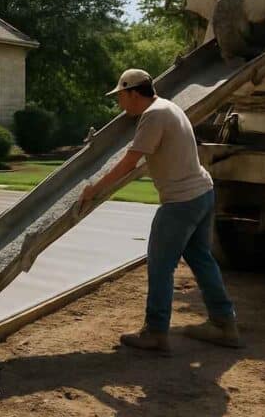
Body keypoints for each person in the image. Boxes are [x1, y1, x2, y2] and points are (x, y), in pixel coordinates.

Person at [80, 69, 242, 355]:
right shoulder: (170, 107)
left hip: (181, 201)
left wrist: (95, 188)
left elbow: (131, 161)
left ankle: (155, 332)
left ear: (133, 92)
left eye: (120, 95)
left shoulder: (153, 115)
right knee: (202, 259)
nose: (119, 102)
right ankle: (224, 324)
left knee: (160, 265)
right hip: (203, 192)